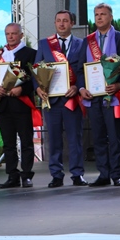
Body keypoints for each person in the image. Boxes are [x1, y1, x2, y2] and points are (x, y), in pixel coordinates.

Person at [78, 3, 120, 186]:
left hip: (113, 96)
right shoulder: (87, 41)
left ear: (111, 16)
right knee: (98, 137)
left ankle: (117, 174)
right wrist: (81, 88)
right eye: (96, 15)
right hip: (92, 97)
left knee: (115, 136)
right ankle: (103, 174)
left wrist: (119, 84)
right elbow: (80, 69)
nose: (99, 17)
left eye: (103, 14)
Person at [34, 10, 87, 187]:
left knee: (75, 139)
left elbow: (83, 69)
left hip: (72, 99)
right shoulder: (44, 44)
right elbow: (36, 69)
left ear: (72, 23)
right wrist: (38, 88)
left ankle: (77, 174)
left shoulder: (82, 44)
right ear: (55, 23)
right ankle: (56, 175)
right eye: (58, 21)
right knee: (54, 139)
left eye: (65, 21)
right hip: (52, 100)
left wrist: (77, 86)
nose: (61, 24)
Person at [0, 23, 38, 188]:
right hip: (3, 105)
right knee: (8, 143)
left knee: (26, 142)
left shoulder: (30, 53)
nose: (10, 37)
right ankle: (12, 176)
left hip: (22, 104)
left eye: (14, 33)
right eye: (7, 34)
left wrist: (22, 89)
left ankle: (27, 175)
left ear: (21, 35)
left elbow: (36, 79)